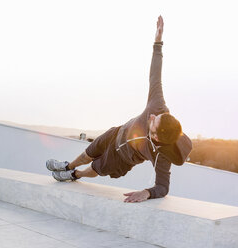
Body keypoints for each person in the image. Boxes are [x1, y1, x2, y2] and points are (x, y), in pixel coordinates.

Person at [46, 16, 192, 203]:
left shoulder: (163, 156)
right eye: (156, 116)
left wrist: (147, 192)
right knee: (88, 152)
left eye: (153, 122)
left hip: (121, 158)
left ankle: (75, 174)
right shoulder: (159, 106)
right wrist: (158, 42)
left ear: (156, 137)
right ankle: (67, 165)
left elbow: (163, 187)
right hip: (117, 133)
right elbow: (155, 75)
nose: (153, 116)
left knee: (95, 167)